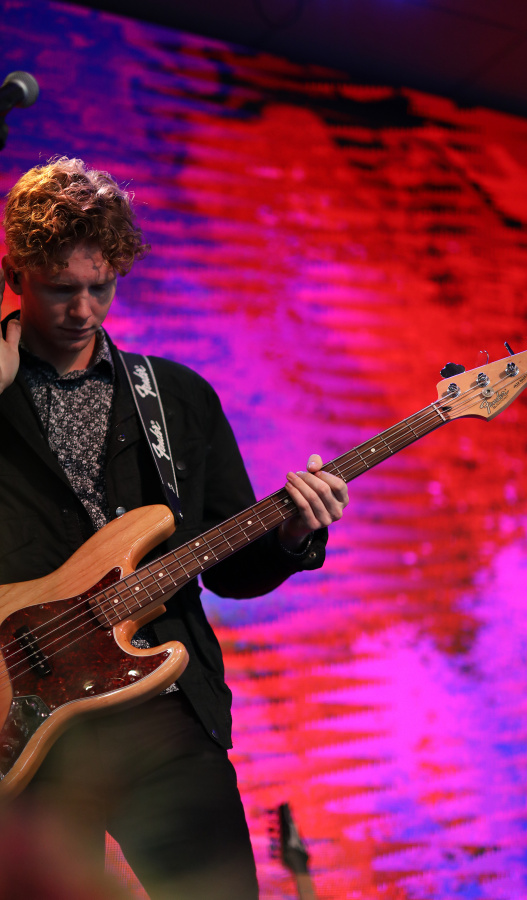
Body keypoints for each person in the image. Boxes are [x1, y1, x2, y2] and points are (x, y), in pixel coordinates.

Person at [0, 157, 349, 899]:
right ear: (14, 275)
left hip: (160, 711)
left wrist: (290, 538)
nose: (84, 310)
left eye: (101, 286)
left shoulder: (178, 397)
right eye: (61, 288)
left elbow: (227, 566)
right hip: (19, 721)